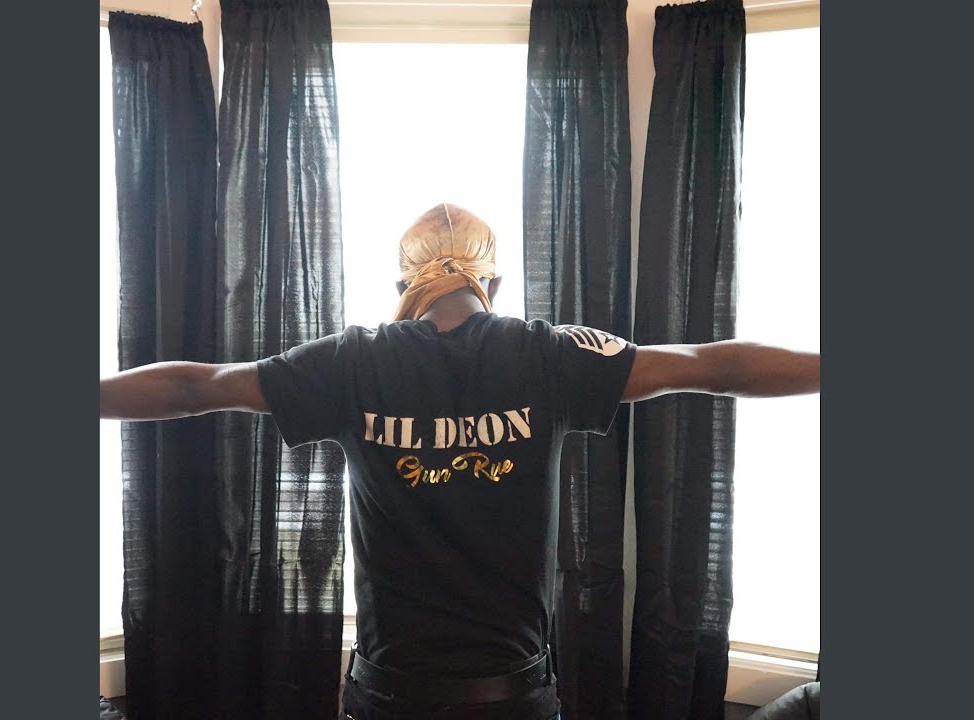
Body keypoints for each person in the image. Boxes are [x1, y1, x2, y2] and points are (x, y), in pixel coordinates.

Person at [100, 203, 820, 720]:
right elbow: (709, 364)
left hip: (390, 694)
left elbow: (200, 386)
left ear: (402, 289)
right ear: (492, 284)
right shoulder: (550, 354)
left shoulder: (351, 363)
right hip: (513, 697)